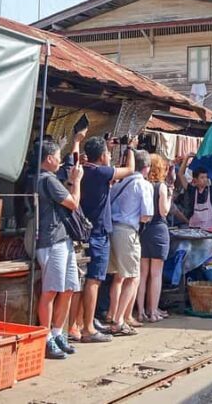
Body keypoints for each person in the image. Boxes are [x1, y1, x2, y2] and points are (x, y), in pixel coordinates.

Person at [79, 136, 136, 343]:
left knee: (86, 280)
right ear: (102, 156)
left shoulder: (85, 170)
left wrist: (106, 150)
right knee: (94, 280)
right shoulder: (100, 172)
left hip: (87, 230)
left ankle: (82, 324)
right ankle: (88, 328)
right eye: (107, 153)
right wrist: (130, 148)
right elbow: (130, 169)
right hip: (98, 232)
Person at [36, 138, 84, 359]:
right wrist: (77, 181)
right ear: (49, 158)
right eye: (57, 156)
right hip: (52, 240)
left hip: (62, 240)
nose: (59, 160)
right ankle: (46, 337)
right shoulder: (48, 180)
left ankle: (57, 332)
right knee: (51, 291)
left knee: (68, 288)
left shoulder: (46, 179)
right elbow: (73, 203)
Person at [105, 149, 153, 336]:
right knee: (133, 277)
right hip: (128, 231)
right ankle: (119, 321)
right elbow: (146, 214)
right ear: (146, 168)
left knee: (119, 276)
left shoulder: (119, 183)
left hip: (113, 230)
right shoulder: (144, 185)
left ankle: (113, 314)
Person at [137, 154, 173, 323]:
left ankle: (141, 312)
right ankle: (153, 312)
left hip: (144, 231)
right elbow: (164, 211)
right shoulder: (161, 187)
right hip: (158, 229)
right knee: (156, 274)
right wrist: (170, 196)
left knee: (143, 274)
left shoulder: (143, 185)